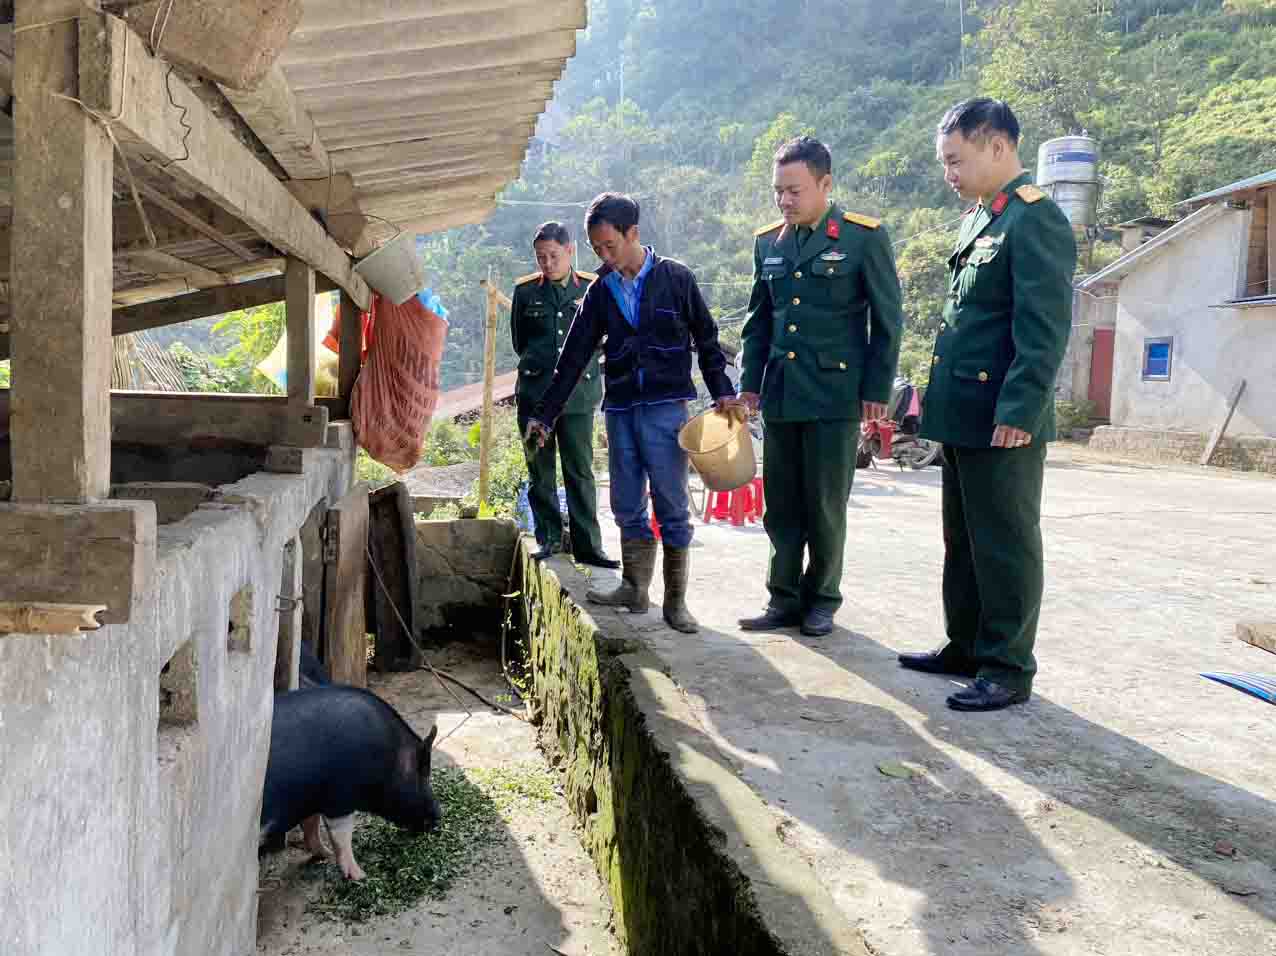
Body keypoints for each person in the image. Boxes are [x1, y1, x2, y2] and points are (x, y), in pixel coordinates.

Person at [899, 98, 1076, 711]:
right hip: (965, 411)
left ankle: (1007, 666)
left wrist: (1020, 410)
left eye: (957, 159)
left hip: (1003, 417)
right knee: (964, 538)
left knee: (1005, 541)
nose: (949, 173)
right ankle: (967, 645)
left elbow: (1043, 329)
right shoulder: (982, 218)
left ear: (997, 147)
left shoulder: (1036, 220)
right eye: (945, 162)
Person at [525, 193, 742, 633]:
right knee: (626, 502)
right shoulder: (601, 291)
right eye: (597, 249)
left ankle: (676, 602)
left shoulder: (676, 278)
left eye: (610, 246)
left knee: (671, 503)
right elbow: (573, 358)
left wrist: (722, 391)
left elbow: (707, 337)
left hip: (666, 409)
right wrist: (545, 415)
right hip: (621, 408)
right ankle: (634, 587)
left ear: (633, 235)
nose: (604, 256)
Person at [737, 136, 903, 637]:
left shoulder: (863, 238)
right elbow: (759, 320)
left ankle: (823, 598)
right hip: (784, 392)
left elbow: (888, 320)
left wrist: (876, 388)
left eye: (794, 190)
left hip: (836, 396)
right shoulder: (768, 242)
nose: (784, 201)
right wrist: (750, 385)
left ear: (825, 184)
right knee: (781, 504)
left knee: (826, 504)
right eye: (778, 191)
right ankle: (782, 597)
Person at [510, 222, 617, 568]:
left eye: (553, 255)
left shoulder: (592, 288)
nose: (547, 262)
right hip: (534, 395)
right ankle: (550, 540)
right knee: (540, 470)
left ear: (570, 251)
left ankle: (589, 547)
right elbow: (520, 342)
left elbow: (603, 338)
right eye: (541, 257)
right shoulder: (525, 293)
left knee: (579, 470)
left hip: (577, 397)